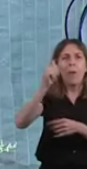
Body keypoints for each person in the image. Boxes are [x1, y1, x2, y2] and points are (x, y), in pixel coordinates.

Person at [15, 39, 87, 168]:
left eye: (78, 57)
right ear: (56, 65)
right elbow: (21, 122)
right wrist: (43, 87)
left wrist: (79, 128)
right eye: (65, 58)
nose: (72, 62)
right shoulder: (50, 97)